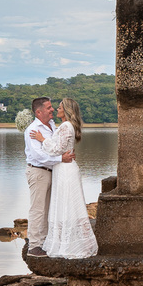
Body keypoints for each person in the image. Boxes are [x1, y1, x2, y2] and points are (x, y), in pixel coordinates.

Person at [27, 98, 98, 258]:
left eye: (58, 107)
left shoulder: (65, 126)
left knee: (66, 205)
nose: (55, 109)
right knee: (63, 205)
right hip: (59, 168)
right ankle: (59, 242)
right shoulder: (59, 126)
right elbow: (54, 150)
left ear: (66, 110)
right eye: (51, 107)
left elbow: (56, 149)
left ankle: (69, 244)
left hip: (64, 169)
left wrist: (42, 139)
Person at [25, 96, 73, 258]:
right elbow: (38, 155)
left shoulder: (52, 125)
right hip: (38, 172)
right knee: (37, 210)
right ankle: (33, 246)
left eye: (52, 107)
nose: (52, 109)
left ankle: (44, 242)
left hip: (52, 171)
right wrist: (61, 159)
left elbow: (54, 146)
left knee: (48, 210)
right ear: (38, 112)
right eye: (48, 108)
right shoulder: (32, 129)